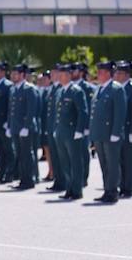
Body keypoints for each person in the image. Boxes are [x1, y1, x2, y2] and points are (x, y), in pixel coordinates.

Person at [88, 61, 126, 203]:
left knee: (112, 163)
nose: (98, 74)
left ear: (108, 73)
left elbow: (120, 112)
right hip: (99, 133)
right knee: (104, 164)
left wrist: (116, 132)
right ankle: (107, 189)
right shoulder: (99, 89)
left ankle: (113, 191)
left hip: (110, 133)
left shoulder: (116, 89)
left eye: (101, 72)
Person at [54, 64, 89, 201]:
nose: (59, 77)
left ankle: (77, 190)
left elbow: (83, 111)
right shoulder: (60, 91)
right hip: (62, 132)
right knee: (65, 162)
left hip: (73, 131)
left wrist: (80, 130)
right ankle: (69, 188)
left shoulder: (76, 91)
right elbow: (58, 114)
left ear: (68, 76)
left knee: (75, 161)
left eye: (62, 75)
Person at [7, 64, 39, 190]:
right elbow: (11, 110)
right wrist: (9, 125)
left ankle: (29, 179)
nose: (13, 76)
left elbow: (31, 110)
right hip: (15, 127)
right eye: (12, 73)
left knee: (27, 154)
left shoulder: (29, 89)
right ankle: (22, 178)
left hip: (26, 128)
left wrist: (27, 126)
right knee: (19, 154)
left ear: (22, 75)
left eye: (16, 73)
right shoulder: (13, 89)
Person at [115, 61, 132, 198]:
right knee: (120, 159)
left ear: (126, 74)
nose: (117, 75)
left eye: (119, 73)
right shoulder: (118, 88)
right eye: (116, 72)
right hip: (119, 130)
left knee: (129, 160)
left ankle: (129, 187)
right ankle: (122, 185)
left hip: (128, 129)